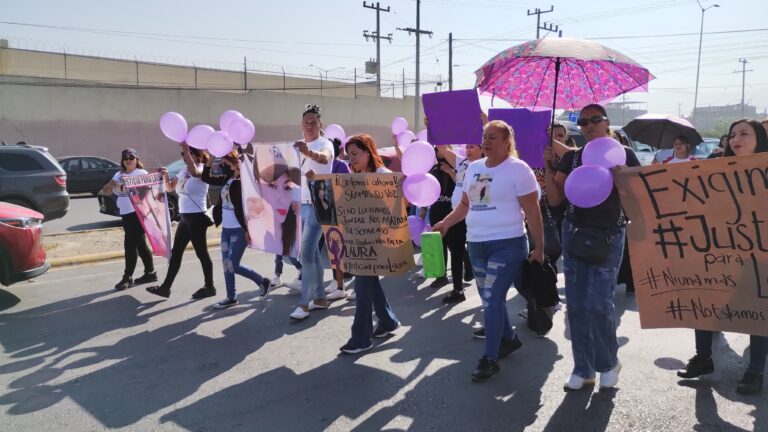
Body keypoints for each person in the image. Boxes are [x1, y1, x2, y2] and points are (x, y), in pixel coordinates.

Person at [433, 120, 544, 381]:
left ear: (508, 142)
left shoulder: (519, 170)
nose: (486, 141)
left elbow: (532, 211)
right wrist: (446, 223)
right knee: (488, 299)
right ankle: (509, 339)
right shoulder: (474, 168)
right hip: (477, 244)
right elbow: (465, 204)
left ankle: (489, 358)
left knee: (493, 297)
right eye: (485, 136)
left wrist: (539, 247)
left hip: (508, 244)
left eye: (493, 137)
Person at [545, 104, 641, 390]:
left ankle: (609, 362)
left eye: (595, 119)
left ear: (607, 122)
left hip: (610, 234)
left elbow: (639, 197)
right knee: (575, 304)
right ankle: (583, 368)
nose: (589, 125)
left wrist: (623, 176)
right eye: (583, 121)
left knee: (599, 303)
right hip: (574, 231)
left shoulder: (624, 154)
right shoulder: (572, 158)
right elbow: (555, 201)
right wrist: (550, 169)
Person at [677, 119, 768, 395]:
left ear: (760, 139)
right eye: (732, 134)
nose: (735, 138)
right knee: (704, 302)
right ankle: (703, 358)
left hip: (758, 256)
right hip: (718, 251)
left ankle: (755, 371)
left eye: (744, 133)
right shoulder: (713, 170)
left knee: (758, 311)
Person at [338, 134, 401, 354]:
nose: (351, 159)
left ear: (368, 152)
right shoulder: (355, 176)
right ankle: (387, 321)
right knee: (368, 282)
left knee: (363, 285)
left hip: (378, 240)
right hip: (360, 239)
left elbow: (395, 206)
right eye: (349, 155)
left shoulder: (383, 175)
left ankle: (361, 337)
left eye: (355, 154)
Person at [201, 149, 271, 308]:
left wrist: (248, 229)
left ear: (235, 162)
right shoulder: (228, 177)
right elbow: (206, 177)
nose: (223, 164)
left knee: (233, 264)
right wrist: (211, 157)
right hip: (226, 230)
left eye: (226, 161)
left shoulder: (245, 182)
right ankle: (231, 297)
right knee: (226, 264)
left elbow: (247, 208)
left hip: (239, 230)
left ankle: (262, 281)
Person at [146, 144, 214, 299]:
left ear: (198, 155)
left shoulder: (203, 169)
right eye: (183, 154)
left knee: (201, 253)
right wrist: (165, 176)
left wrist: (185, 145)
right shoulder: (183, 171)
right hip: (185, 218)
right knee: (176, 253)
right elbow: (170, 188)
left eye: (188, 154)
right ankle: (165, 288)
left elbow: (196, 173)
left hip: (197, 217)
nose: (184, 156)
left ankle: (210, 286)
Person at [289, 104, 335, 320]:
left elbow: (324, 158)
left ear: (320, 124)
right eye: (306, 122)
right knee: (313, 254)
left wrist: (309, 152)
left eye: (313, 122)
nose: (309, 125)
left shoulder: (325, 143)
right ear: (301, 124)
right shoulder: (296, 146)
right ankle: (319, 298)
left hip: (320, 204)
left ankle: (304, 303)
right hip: (303, 205)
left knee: (306, 253)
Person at [432, 144, 482, 304]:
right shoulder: (462, 163)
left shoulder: (486, 167)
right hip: (457, 215)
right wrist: (432, 124)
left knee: (462, 251)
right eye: (467, 146)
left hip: (472, 217)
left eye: (473, 147)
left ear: (483, 149)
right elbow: (442, 147)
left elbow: (479, 199)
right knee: (457, 250)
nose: (469, 150)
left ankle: (464, 286)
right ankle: (458, 289)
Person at [101, 148, 156, 291]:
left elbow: (145, 191)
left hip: (137, 214)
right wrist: (113, 183)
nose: (128, 160)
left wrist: (128, 184)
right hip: (125, 214)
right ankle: (150, 273)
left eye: (131, 157)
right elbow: (105, 191)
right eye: (125, 157)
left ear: (137, 159)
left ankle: (127, 277)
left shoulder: (141, 173)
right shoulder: (118, 174)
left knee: (130, 245)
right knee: (140, 245)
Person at [247, 144, 301, 257]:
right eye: (272, 186)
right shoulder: (254, 229)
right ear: (257, 185)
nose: (282, 198)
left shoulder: (295, 227)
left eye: (287, 187)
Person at [323, 137, 354, 300]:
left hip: (341, 213)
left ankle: (348, 284)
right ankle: (337, 283)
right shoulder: (322, 165)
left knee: (345, 250)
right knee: (333, 248)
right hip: (327, 212)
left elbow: (345, 188)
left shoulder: (340, 165)